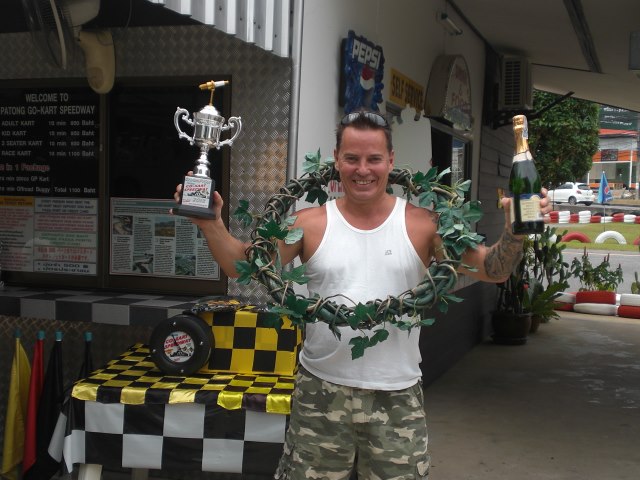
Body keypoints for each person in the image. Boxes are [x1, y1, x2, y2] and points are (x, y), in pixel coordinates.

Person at [172, 109, 550, 479]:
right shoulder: (308, 224)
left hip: (396, 395)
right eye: (352, 158)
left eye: (374, 159)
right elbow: (244, 266)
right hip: (321, 390)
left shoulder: (425, 225)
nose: (363, 170)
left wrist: (515, 231)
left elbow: (493, 270)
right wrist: (212, 224)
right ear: (337, 159)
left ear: (391, 160)